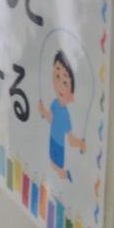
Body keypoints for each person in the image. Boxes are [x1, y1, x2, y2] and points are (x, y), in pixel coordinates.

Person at [38, 49, 86, 182]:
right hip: (52, 141)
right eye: (57, 76)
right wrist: (43, 111)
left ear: (72, 96)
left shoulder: (66, 115)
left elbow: (70, 139)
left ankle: (69, 175)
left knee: (58, 170)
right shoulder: (54, 103)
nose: (59, 84)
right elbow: (50, 118)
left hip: (59, 146)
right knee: (52, 165)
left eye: (65, 83)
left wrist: (80, 143)